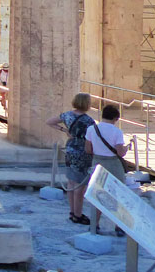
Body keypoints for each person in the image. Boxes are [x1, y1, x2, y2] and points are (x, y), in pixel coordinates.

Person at [46, 93, 96, 225]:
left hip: (70, 148)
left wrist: (64, 130)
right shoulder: (88, 120)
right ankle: (78, 215)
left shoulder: (67, 115)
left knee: (71, 182)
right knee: (80, 184)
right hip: (82, 151)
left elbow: (49, 122)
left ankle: (73, 212)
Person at [85, 104, 131, 237]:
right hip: (113, 163)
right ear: (116, 118)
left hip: (97, 162)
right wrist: (126, 148)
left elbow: (88, 149)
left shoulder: (91, 129)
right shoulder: (117, 132)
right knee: (118, 194)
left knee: (97, 193)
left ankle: (95, 223)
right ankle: (119, 226)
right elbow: (120, 153)